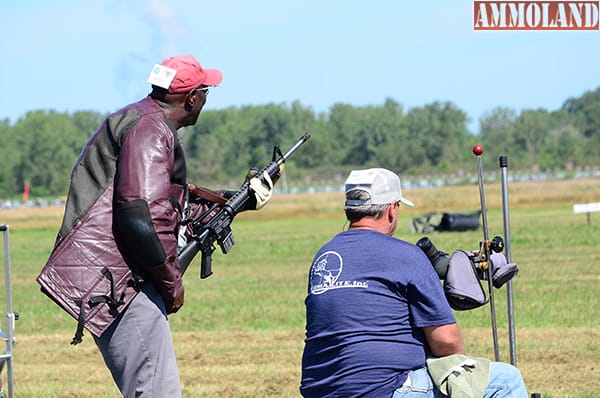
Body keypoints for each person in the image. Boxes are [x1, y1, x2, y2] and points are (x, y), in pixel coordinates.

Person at [37, 54, 273, 397]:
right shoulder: (150, 129)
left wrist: (238, 200)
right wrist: (170, 281)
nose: (206, 99)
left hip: (117, 280)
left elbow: (161, 204)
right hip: (123, 285)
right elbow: (138, 216)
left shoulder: (138, 119)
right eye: (206, 91)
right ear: (192, 98)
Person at [300, 168, 528, 397]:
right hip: (383, 389)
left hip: (320, 389)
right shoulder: (406, 256)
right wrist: (464, 372)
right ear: (391, 209)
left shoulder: (324, 255)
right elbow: (446, 341)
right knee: (506, 379)